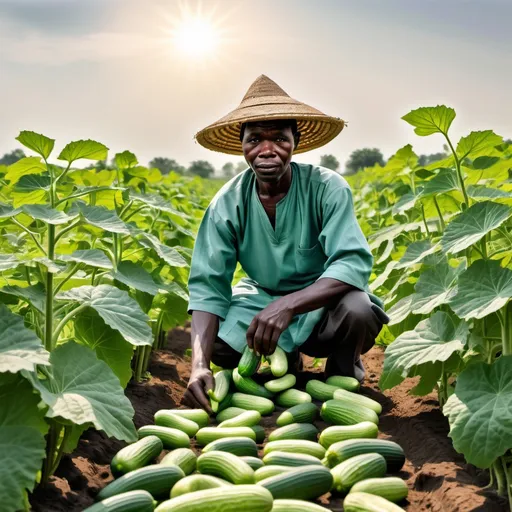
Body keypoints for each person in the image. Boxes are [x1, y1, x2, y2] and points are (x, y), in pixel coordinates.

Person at [183, 75, 389, 413]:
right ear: (242, 145)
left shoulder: (328, 188)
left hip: (322, 303)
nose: (267, 150)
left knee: (359, 309)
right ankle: (287, 362)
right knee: (215, 340)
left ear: (296, 141)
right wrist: (199, 365)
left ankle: (340, 376)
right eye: (255, 140)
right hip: (260, 299)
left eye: (280, 138)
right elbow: (208, 287)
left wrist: (289, 305)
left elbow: (351, 264)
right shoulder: (226, 203)